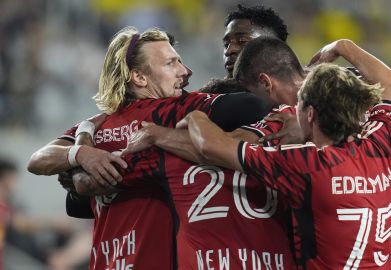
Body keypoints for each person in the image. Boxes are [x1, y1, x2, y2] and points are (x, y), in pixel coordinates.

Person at [28, 26, 271, 269]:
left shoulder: (97, 126)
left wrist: (80, 151)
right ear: (140, 77)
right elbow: (255, 105)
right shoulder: (172, 111)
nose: (185, 71)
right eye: (171, 63)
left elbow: (41, 162)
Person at [177, 39, 391, 269]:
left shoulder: (306, 165)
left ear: (310, 115)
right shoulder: (380, 144)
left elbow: (213, 146)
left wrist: (196, 115)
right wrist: (343, 46)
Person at [223, 4, 289, 78]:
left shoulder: (300, 87)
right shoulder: (215, 89)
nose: (228, 51)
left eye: (242, 41)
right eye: (226, 44)